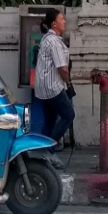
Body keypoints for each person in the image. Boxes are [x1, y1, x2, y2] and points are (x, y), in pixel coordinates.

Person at [35, 9, 75, 169]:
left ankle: (40, 152)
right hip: (53, 87)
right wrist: (68, 83)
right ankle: (48, 151)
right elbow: (63, 69)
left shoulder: (47, 39)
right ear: (54, 24)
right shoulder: (54, 42)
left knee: (50, 120)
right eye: (61, 19)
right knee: (68, 115)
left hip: (42, 88)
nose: (64, 21)